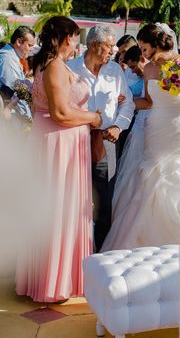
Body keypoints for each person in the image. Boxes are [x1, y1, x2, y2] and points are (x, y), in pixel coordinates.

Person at [15, 17, 102, 303]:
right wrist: (95, 118)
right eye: (76, 37)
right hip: (59, 144)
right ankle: (54, 282)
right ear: (66, 38)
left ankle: (55, 276)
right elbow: (61, 113)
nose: (77, 43)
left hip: (59, 142)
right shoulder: (53, 66)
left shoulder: (47, 64)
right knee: (59, 209)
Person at [101, 24, 180, 251]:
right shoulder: (148, 69)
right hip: (156, 128)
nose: (142, 52)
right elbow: (148, 102)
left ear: (156, 43)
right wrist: (124, 101)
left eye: (144, 47)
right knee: (153, 178)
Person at [67, 25, 134, 251]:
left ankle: (101, 252)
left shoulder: (115, 70)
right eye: (109, 46)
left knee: (104, 201)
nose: (113, 50)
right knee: (75, 199)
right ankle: (76, 252)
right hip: (76, 140)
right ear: (95, 45)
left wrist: (118, 125)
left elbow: (128, 103)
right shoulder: (71, 69)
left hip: (106, 142)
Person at [0, 26, 36, 121]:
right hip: (13, 118)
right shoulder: (7, 59)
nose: (31, 49)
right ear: (19, 42)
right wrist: (27, 118)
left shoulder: (12, 57)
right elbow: (18, 92)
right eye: (29, 45)